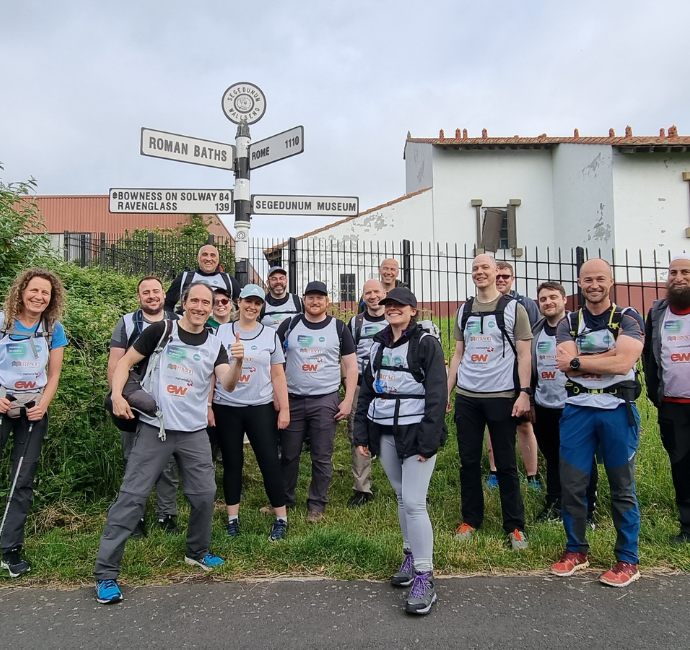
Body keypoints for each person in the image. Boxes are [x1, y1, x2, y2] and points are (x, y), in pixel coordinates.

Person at [95, 282, 242, 605]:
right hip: (155, 428)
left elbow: (228, 385)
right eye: (196, 301)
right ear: (184, 303)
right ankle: (106, 574)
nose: (201, 307)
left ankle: (197, 552)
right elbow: (124, 364)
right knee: (132, 497)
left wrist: (238, 363)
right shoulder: (162, 331)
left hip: (193, 432)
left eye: (208, 302)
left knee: (204, 495)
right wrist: (118, 395)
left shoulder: (215, 344)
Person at [550, 258, 644, 588]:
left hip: (617, 408)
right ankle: (576, 551)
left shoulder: (628, 317)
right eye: (588, 279)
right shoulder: (569, 322)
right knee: (573, 486)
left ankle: (627, 560)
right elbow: (564, 364)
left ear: (611, 281)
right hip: (578, 410)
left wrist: (582, 361)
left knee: (622, 488)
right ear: (579, 283)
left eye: (600, 279)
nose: (594, 285)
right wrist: (599, 361)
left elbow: (624, 361)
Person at [354, 287, 447, 615]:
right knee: (399, 496)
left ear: (412, 310)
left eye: (399, 306)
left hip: (416, 433)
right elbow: (367, 388)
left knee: (414, 501)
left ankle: (425, 575)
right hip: (386, 431)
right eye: (388, 304)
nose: (392, 309)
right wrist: (361, 434)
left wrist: (429, 440)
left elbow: (438, 394)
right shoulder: (378, 343)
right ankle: (409, 555)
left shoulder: (426, 343)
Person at [447, 254, 532, 550]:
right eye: (475, 268)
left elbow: (524, 354)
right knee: (468, 462)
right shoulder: (464, 310)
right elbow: (458, 354)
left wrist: (524, 392)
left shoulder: (513, 309)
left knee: (506, 464)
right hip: (468, 398)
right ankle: (470, 519)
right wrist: (448, 391)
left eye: (485, 267)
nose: (479, 272)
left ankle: (515, 526)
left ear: (497, 272)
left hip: (502, 397)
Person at [0, 268, 67, 578]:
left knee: (22, 479)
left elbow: (53, 375)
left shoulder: (53, 329)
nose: (39, 297)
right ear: (21, 291)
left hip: (33, 411)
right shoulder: (2, 323)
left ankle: (10, 548)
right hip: (2, 404)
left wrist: (43, 405)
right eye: (34, 291)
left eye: (46, 293)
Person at [212, 284, 291, 541]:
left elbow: (277, 373)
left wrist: (284, 408)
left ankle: (281, 519)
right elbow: (210, 371)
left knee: (269, 462)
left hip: (260, 406)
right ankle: (232, 520)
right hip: (227, 407)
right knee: (233, 464)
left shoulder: (269, 335)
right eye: (248, 301)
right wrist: (208, 405)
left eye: (257, 303)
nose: (252, 307)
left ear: (261, 307)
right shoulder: (221, 331)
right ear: (239, 302)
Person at [276, 281, 358, 522]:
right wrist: (277, 397)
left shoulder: (339, 328)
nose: (315, 302)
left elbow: (352, 367)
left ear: (327, 302)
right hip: (292, 399)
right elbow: (273, 361)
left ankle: (317, 505)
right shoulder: (289, 325)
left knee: (322, 455)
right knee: (289, 455)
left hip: (325, 400)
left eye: (319, 298)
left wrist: (348, 400)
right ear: (303, 300)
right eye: (310, 297)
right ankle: (284, 500)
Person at [107, 276, 180, 536]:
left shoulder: (177, 322)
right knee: (133, 459)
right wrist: (118, 396)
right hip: (132, 400)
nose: (152, 296)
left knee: (167, 461)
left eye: (156, 291)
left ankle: (166, 515)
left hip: (166, 401)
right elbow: (116, 364)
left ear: (163, 294)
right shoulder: (127, 322)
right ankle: (134, 516)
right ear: (139, 297)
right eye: (146, 292)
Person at [529, 282, 598, 522]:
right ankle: (554, 504)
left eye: (553, 298)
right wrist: (530, 400)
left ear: (564, 300)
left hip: (575, 404)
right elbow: (529, 368)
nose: (548, 302)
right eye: (543, 299)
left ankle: (588, 510)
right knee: (552, 457)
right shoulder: (535, 331)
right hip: (544, 405)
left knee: (582, 457)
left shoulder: (579, 327)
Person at [643, 253, 690, 544]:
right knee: (681, 467)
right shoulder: (658, 312)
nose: (678, 277)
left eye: (685, 272)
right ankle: (687, 528)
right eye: (673, 272)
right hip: (672, 406)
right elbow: (649, 357)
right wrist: (655, 394)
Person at [484, 261, 541, 489]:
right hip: (492, 374)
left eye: (505, 276)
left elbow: (535, 338)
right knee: (493, 424)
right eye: (497, 276)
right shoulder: (481, 303)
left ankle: (532, 476)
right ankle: (494, 472)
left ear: (513, 278)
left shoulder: (525, 304)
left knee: (524, 424)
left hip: (519, 373)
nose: (501, 280)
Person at [346, 279, 388, 506]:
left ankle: (406, 485)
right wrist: (348, 383)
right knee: (357, 432)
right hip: (362, 386)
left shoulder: (394, 317)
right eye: (367, 292)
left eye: (376, 292)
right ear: (363, 296)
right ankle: (362, 489)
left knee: (398, 432)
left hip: (391, 386)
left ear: (385, 293)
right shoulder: (356, 322)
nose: (372, 296)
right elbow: (347, 356)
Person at [164, 244, 241, 312]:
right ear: (198, 258)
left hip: (220, 326)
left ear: (217, 259)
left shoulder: (229, 279)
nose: (208, 258)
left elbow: (240, 305)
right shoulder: (185, 277)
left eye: (212, 255)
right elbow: (167, 304)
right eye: (205, 254)